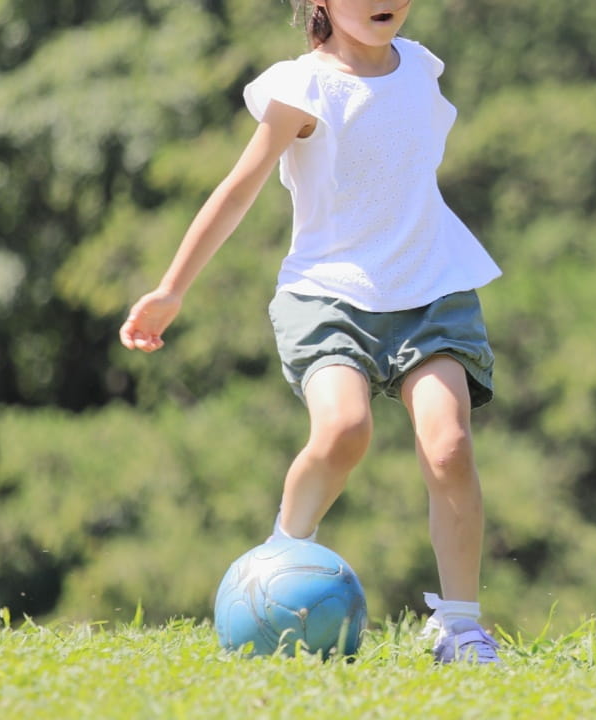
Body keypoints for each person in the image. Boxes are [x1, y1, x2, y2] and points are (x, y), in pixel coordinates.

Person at [118, 0, 502, 664]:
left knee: (449, 448)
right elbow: (239, 189)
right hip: (329, 295)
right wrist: (172, 288)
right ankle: (279, 562)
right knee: (343, 430)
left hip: (431, 289)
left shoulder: (420, 70)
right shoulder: (303, 85)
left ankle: (460, 627)